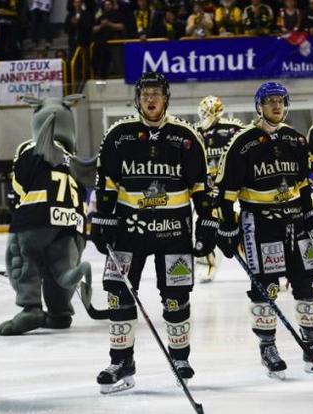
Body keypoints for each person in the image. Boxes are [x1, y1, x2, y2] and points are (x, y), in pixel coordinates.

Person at [90, 71, 216, 394]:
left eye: (156, 93)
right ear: (137, 98)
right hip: (128, 232)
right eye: (145, 93)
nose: (150, 99)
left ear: (166, 98)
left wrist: (207, 221)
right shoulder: (119, 136)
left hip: (173, 231)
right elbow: (105, 182)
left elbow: (200, 186)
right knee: (118, 293)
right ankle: (121, 361)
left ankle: (180, 358)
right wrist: (101, 221)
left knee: (176, 298)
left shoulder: (186, 137)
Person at [216, 81, 313, 379]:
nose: (276, 106)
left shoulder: (296, 140)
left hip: (295, 223)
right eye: (270, 101)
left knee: (308, 283)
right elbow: (226, 191)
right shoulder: (242, 142)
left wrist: (312, 214)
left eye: (281, 101)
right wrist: (225, 226)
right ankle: (268, 347)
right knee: (266, 287)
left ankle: (312, 347)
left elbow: (303, 184)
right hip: (260, 224)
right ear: (258, 106)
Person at [0, 94, 92, 336]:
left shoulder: (30, 147)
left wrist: (20, 206)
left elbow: (20, 183)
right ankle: (60, 312)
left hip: (37, 219)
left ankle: (31, 309)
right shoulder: (74, 160)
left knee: (23, 259)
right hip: (73, 226)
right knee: (61, 270)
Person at [194, 95, 244, 283]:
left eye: (208, 112)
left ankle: (256, 263)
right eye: (203, 112)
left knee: (235, 225)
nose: (205, 116)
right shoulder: (196, 131)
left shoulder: (233, 129)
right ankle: (206, 265)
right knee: (204, 228)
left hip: (229, 189)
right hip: (205, 190)